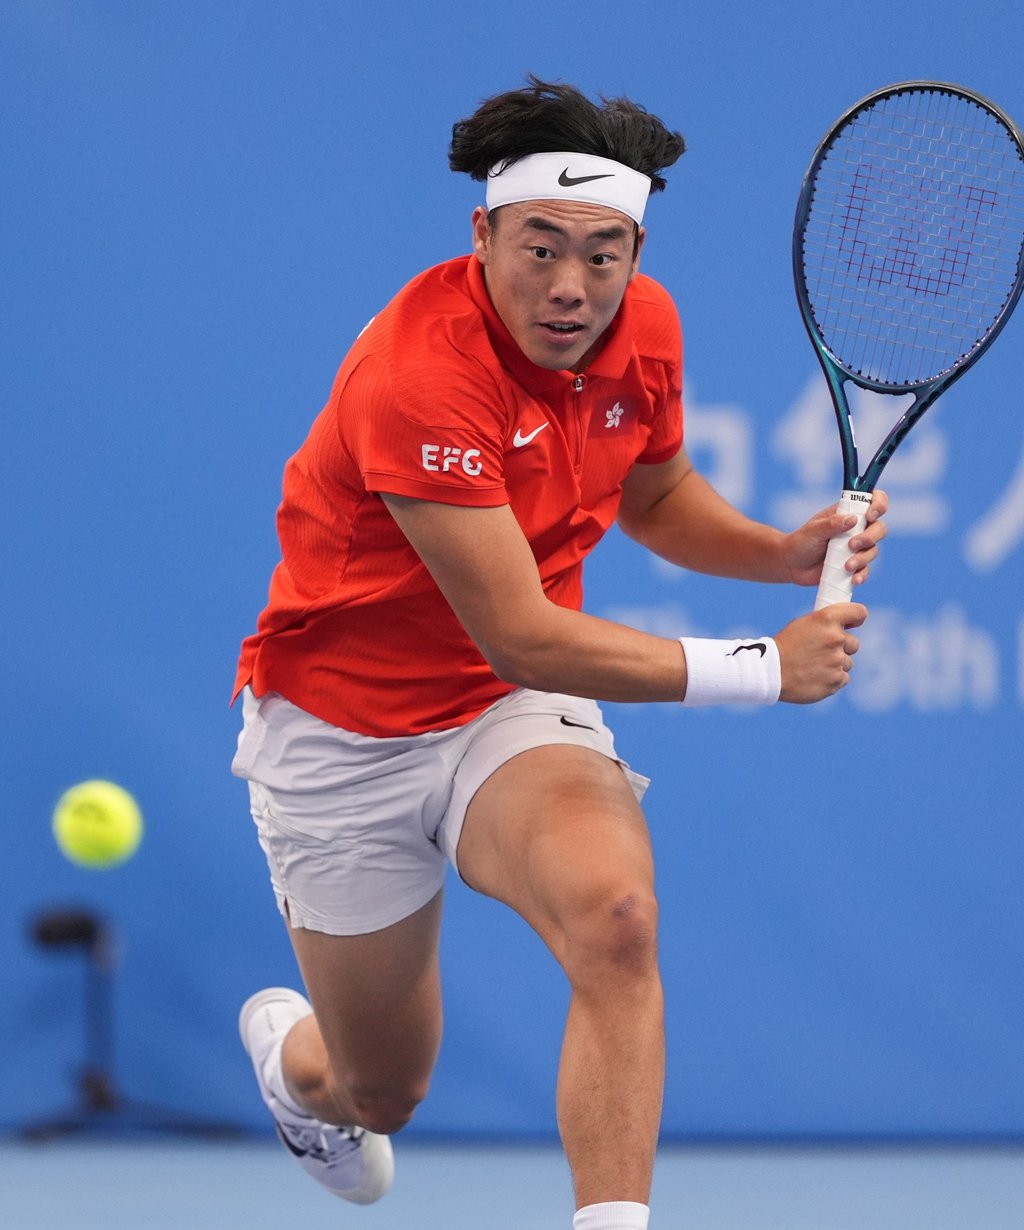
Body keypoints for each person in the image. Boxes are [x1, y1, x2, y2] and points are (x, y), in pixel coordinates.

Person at [231, 76, 887, 1230]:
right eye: (540, 248)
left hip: (505, 714)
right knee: (382, 1087)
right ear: (480, 234)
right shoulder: (420, 377)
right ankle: (298, 1068)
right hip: (344, 730)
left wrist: (779, 555)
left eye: (604, 252)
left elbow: (655, 489)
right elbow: (522, 629)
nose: (573, 287)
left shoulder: (647, 327)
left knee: (616, 918)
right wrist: (761, 668)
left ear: (635, 248)